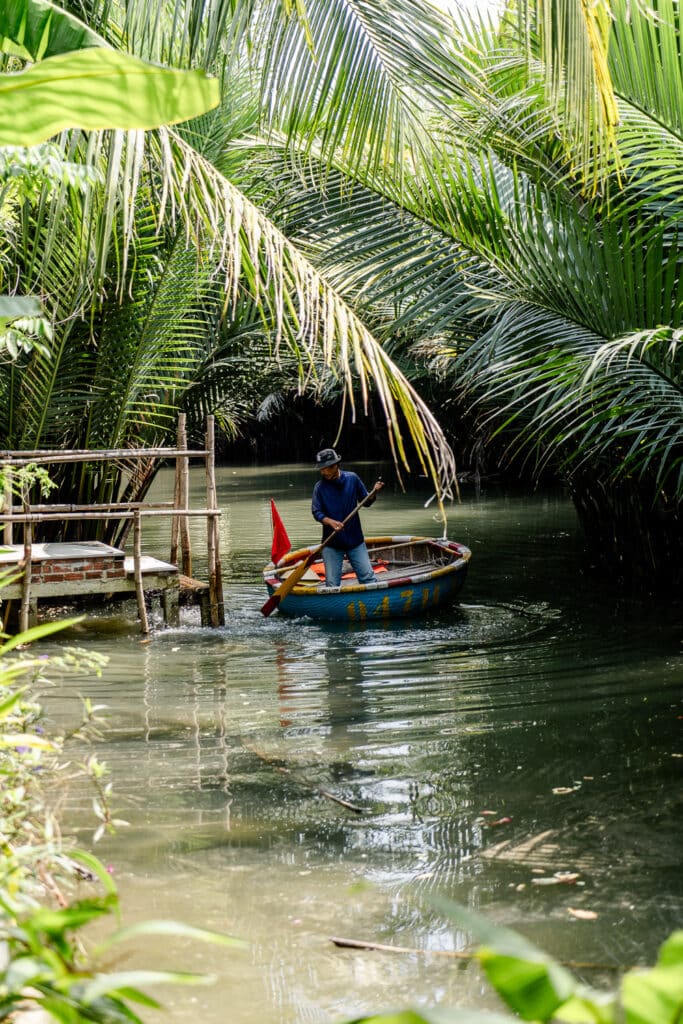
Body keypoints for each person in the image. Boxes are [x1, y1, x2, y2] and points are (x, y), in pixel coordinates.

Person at [311, 448, 384, 587]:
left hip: (355, 540)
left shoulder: (352, 479)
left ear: (335, 466)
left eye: (324, 469)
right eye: (320, 469)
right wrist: (330, 522)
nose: (322, 472)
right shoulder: (319, 488)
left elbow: (366, 501)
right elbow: (316, 512)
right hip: (332, 542)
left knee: (368, 579)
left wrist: (373, 493)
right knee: (332, 584)